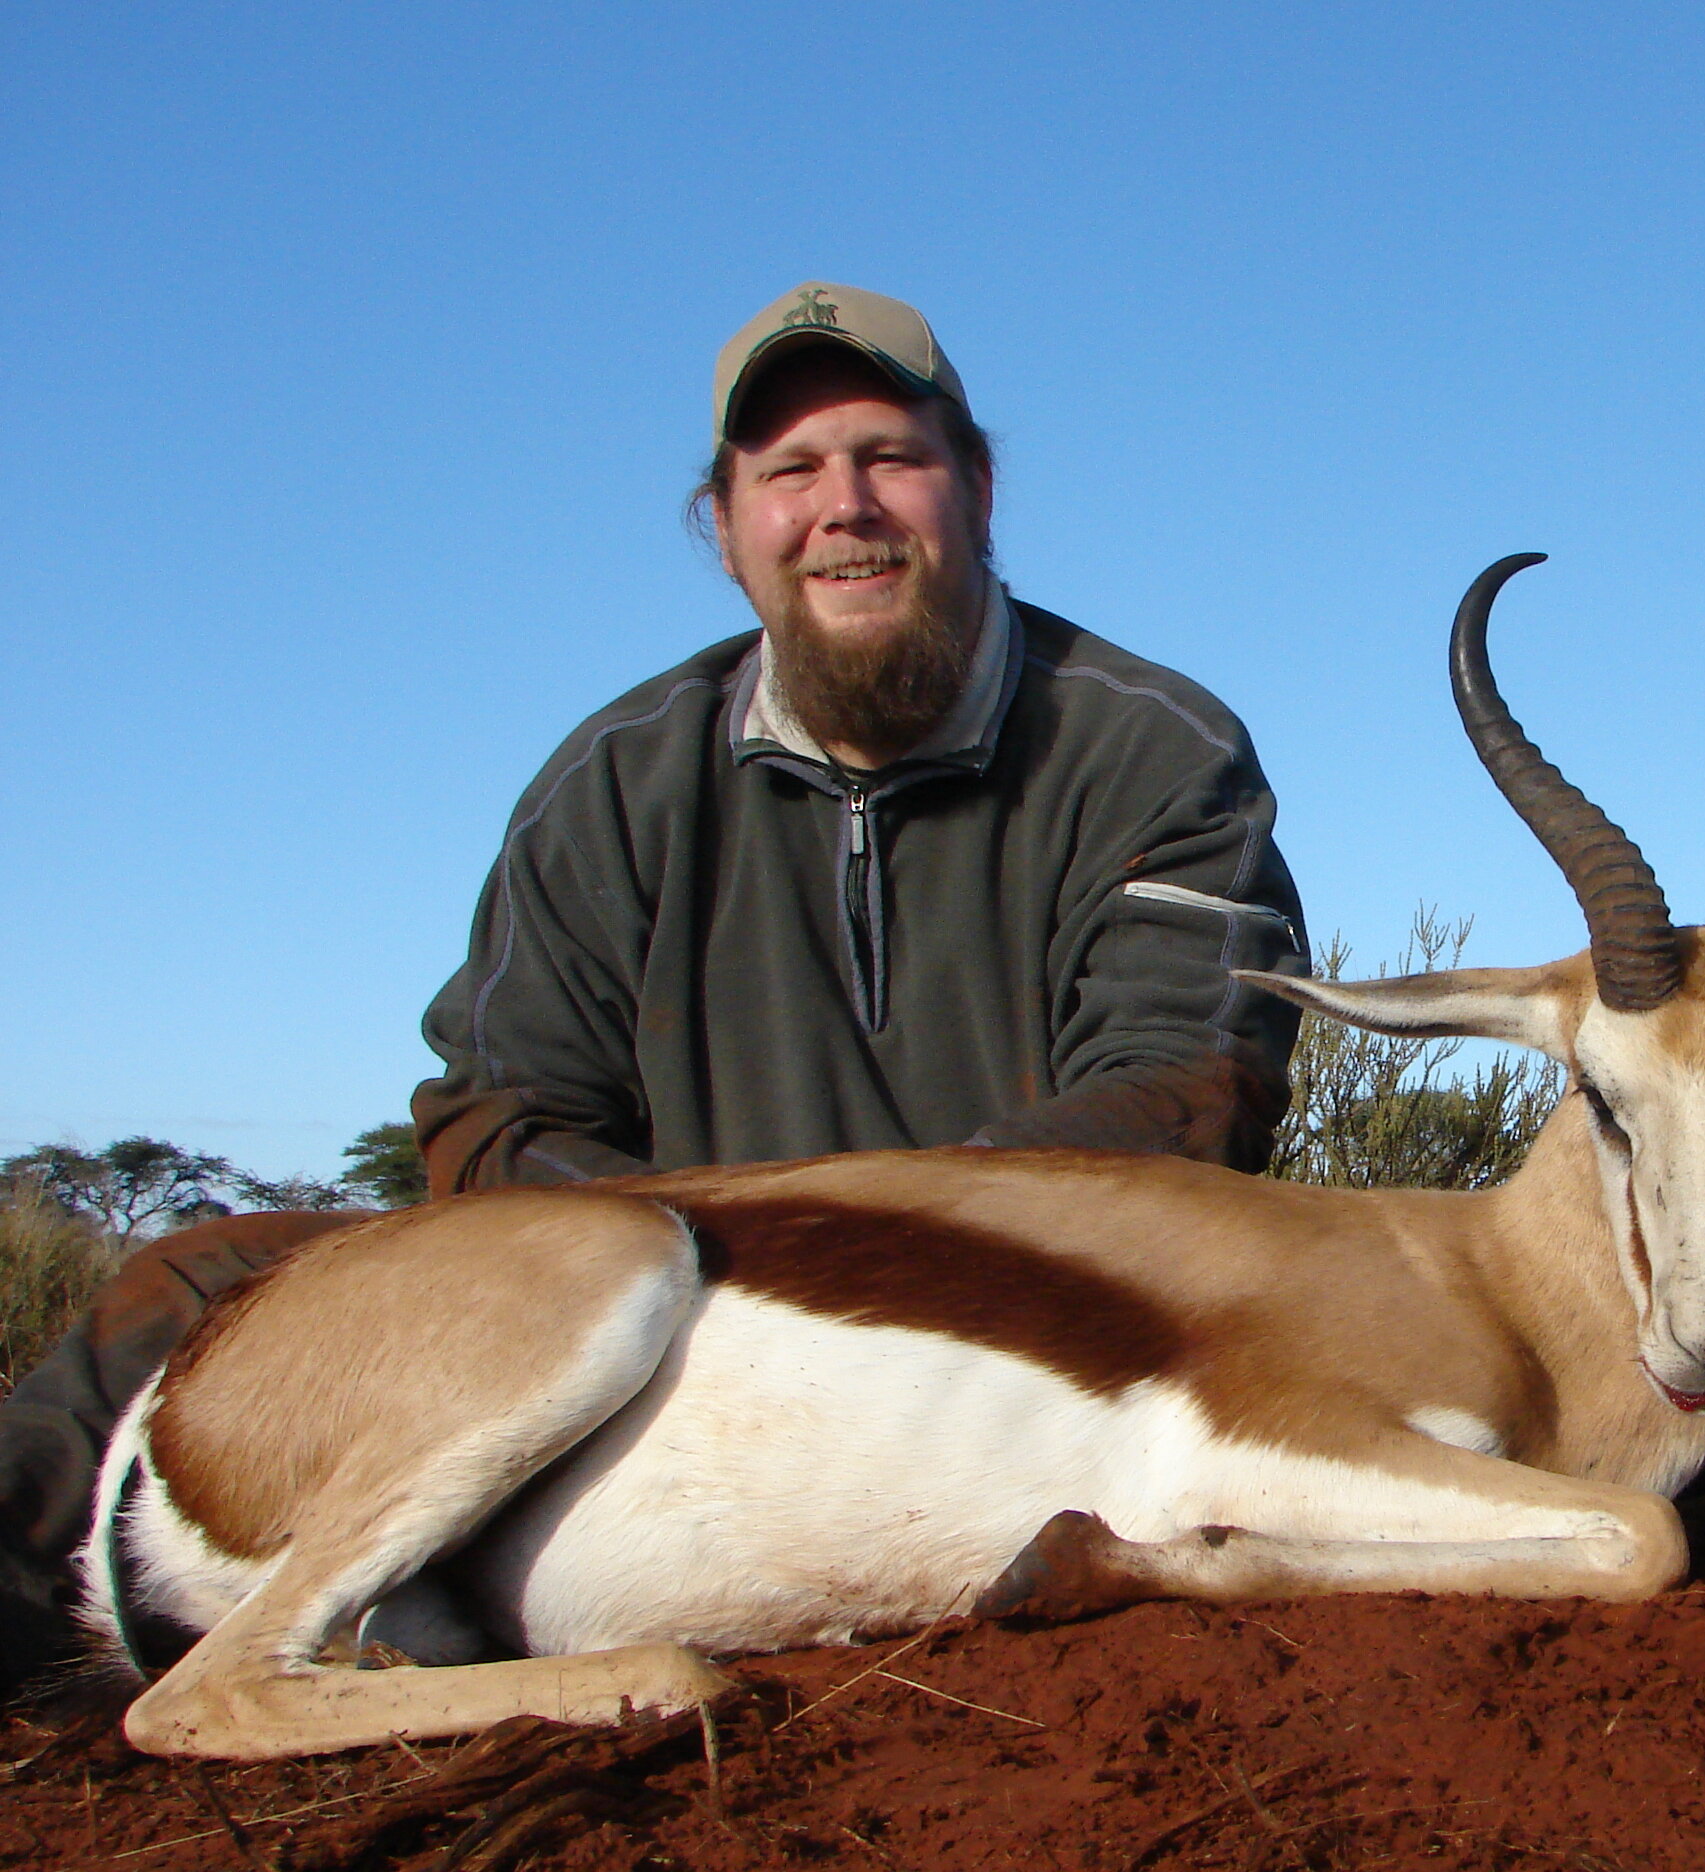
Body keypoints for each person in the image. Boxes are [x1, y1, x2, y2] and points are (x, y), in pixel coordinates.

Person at [0, 282, 1305, 1682]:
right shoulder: (613, 779)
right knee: (203, 1282)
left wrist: (816, 1264)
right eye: (790, 471)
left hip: (1018, 1357)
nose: (843, 506)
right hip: (653, 1344)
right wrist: (676, 1278)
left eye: (892, 457)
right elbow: (490, 1113)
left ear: (976, 488)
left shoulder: (1153, 749)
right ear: (727, 526)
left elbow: (1185, 1099)